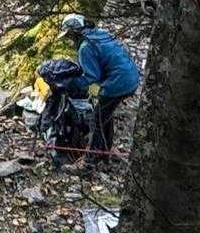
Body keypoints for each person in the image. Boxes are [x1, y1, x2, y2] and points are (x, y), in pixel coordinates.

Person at [60, 12, 140, 157]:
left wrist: (71, 83)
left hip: (118, 83)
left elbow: (92, 76)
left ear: (75, 32)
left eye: (69, 35)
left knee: (97, 120)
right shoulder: (100, 34)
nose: (69, 39)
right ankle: (104, 151)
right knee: (105, 116)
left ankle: (90, 160)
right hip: (131, 77)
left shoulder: (86, 47)